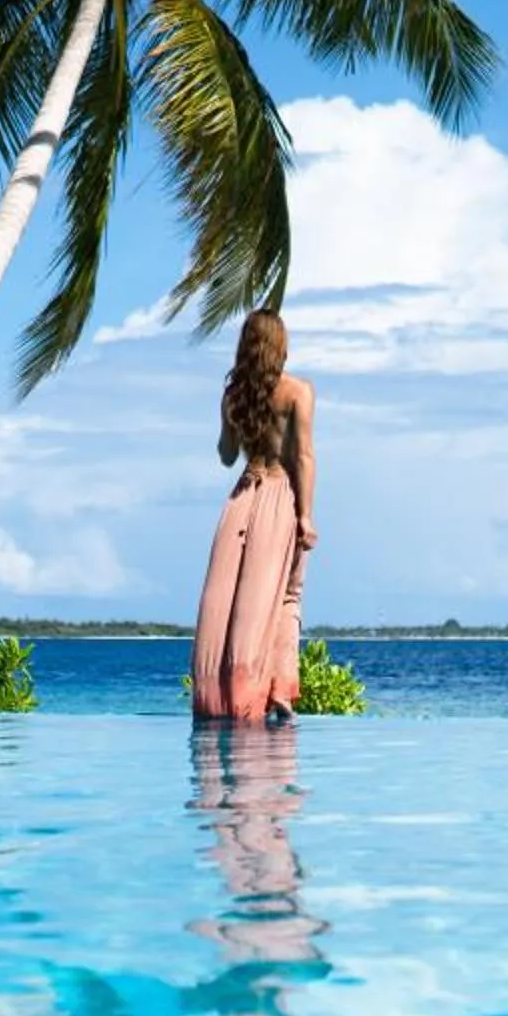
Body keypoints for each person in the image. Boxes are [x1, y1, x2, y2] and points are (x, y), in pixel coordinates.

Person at [191, 309, 316, 723]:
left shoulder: (232, 397)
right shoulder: (298, 392)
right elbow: (303, 456)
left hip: (241, 497)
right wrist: (306, 515)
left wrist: (231, 423)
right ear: (281, 345)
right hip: (280, 495)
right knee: (284, 595)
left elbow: (227, 456)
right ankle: (274, 692)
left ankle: (219, 696)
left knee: (224, 604)